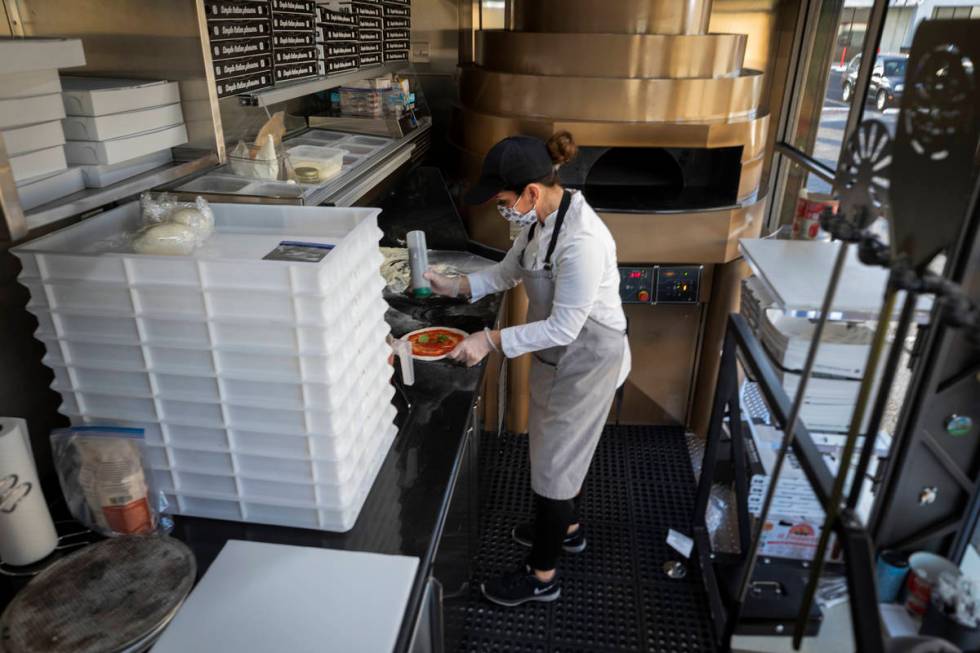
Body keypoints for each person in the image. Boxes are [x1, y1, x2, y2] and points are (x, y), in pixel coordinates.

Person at [425, 131, 631, 607]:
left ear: (531, 192)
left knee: (557, 466)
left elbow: (564, 325)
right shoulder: (541, 223)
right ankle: (567, 529)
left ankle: (543, 576)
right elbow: (504, 274)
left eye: (503, 201)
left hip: (588, 358)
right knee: (552, 451)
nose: (503, 209)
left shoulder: (581, 239)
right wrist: (451, 286)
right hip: (557, 354)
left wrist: (490, 340)